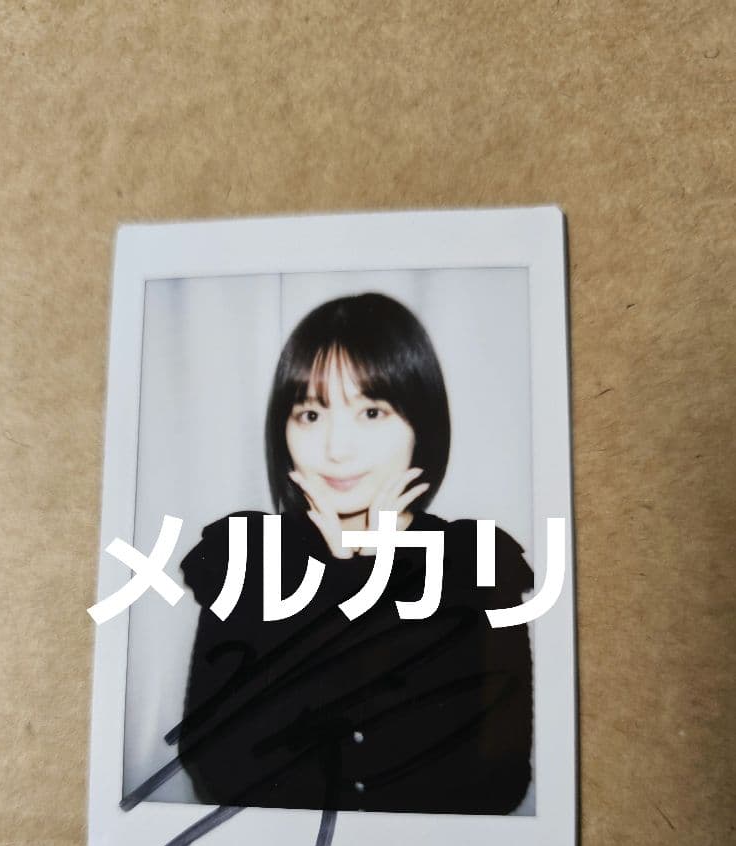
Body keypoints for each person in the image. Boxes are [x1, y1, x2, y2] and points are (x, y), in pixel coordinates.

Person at [177, 293, 533, 815]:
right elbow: (214, 766)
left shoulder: (475, 564)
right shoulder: (249, 557)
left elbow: (498, 777)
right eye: (310, 413)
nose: (337, 448)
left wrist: (372, 575)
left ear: (421, 423)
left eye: (371, 412)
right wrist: (340, 579)